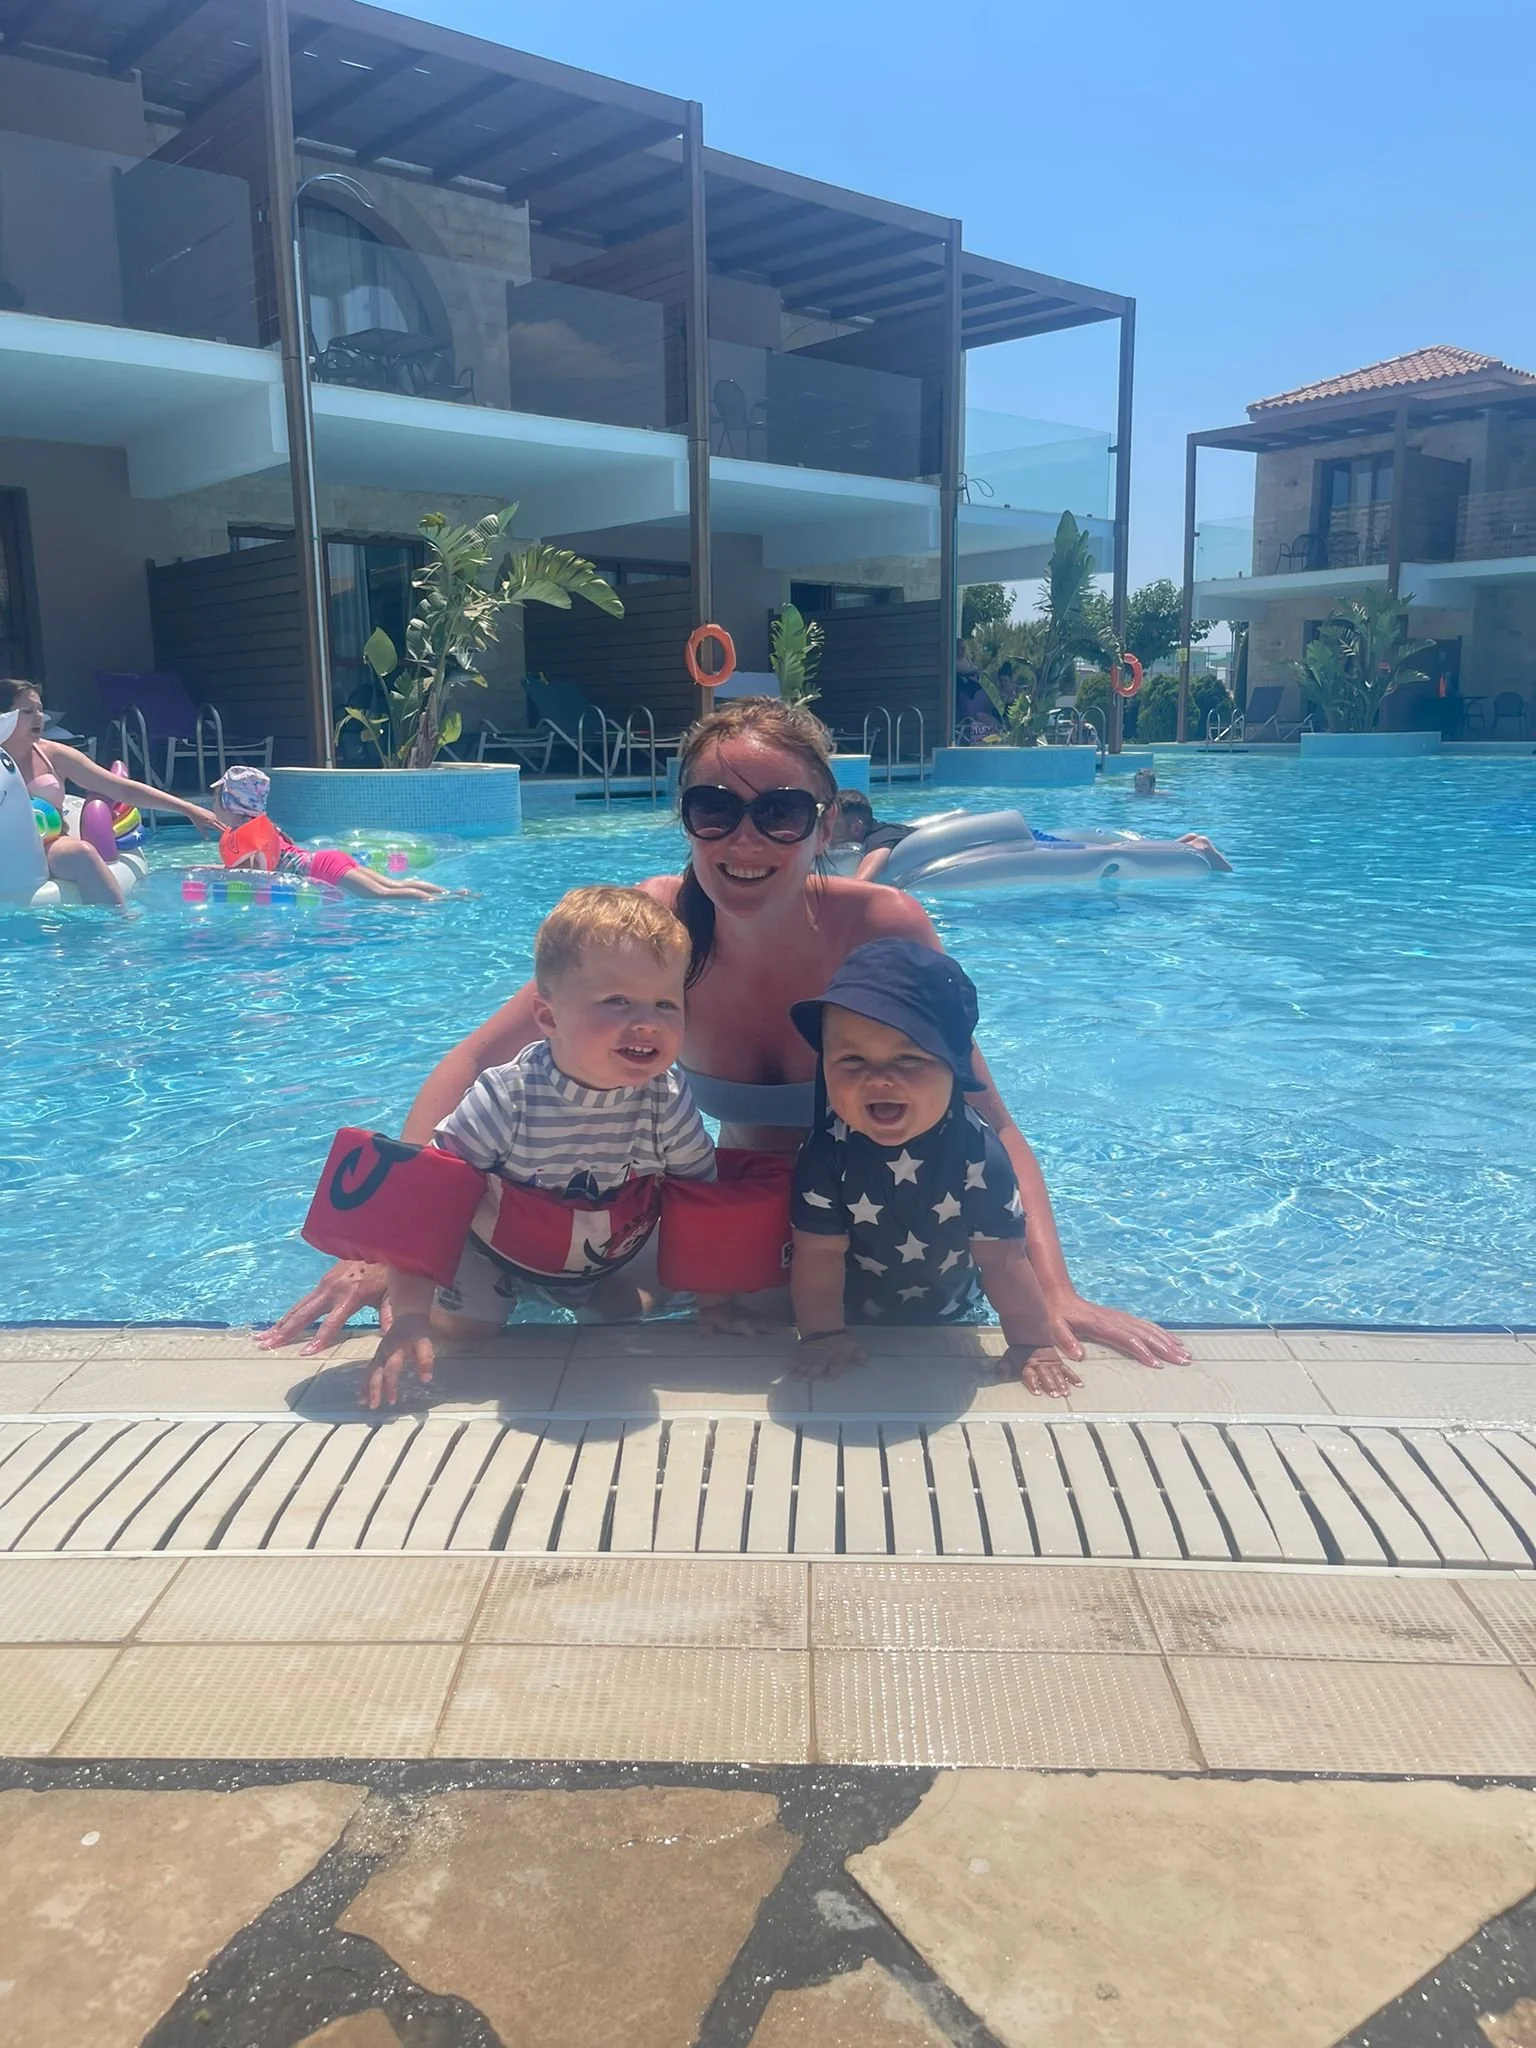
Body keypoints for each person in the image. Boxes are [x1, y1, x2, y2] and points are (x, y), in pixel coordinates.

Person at [262, 695, 1190, 1372]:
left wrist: (1053, 1288)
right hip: (750, 1246)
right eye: (715, 808)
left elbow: (991, 1125)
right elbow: (474, 1061)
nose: (745, 841)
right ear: (686, 819)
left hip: (883, 1219)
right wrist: (395, 1240)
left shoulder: (883, 924)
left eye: (780, 813)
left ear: (825, 824)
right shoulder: (651, 935)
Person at [364, 885, 717, 1407]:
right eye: (617, 1000)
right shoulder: (509, 1096)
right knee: (468, 1330)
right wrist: (411, 1311)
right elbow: (427, 1200)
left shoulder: (665, 1096)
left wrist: (719, 1299)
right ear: (549, 1018)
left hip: (599, 1253)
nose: (647, 1021)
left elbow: (700, 1199)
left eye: (666, 1003)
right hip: (495, 1248)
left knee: (622, 1314)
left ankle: (582, 1290)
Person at [787, 939, 1079, 1398]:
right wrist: (823, 1335)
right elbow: (818, 1254)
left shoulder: (976, 1152)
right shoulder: (827, 1150)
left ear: (955, 1067)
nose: (878, 1078)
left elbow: (1003, 1260)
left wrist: (1031, 1344)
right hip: (854, 1311)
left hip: (955, 1309)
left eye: (909, 1058)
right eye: (851, 1059)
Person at [0, 678, 219, 905]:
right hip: (5, 847)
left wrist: (187, 808)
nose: (38, 717)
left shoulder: (53, 755)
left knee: (83, 854)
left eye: (40, 710)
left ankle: (117, 928)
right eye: (27, 711)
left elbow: (123, 790)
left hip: (49, 844)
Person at [211, 766, 460, 903]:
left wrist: (214, 874)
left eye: (215, 798)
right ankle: (450, 893)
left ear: (228, 803)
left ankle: (442, 903)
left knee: (382, 895)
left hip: (323, 869)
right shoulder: (263, 827)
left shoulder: (244, 837)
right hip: (328, 859)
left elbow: (252, 877)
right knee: (395, 884)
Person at [829, 789, 916, 882]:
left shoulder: (880, 839)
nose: (824, 832)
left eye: (833, 826)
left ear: (856, 828)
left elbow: (860, 884)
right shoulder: (871, 832)